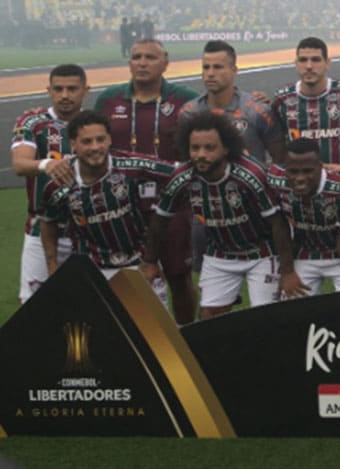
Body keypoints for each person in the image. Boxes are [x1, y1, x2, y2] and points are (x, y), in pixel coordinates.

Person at [142, 111, 301, 318]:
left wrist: (288, 271)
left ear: (226, 148)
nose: (201, 154)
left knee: (265, 317)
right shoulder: (182, 177)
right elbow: (160, 219)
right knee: (208, 316)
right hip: (220, 254)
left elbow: (278, 223)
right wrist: (150, 261)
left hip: (261, 253)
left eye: (209, 148)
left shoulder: (251, 175)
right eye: (195, 148)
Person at [94, 38, 200, 322]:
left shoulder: (185, 99)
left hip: (172, 205)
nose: (142, 63)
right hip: (122, 208)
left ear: (165, 63)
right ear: (129, 63)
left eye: (150, 57)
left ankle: (186, 334)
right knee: (121, 277)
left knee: (178, 276)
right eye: (137, 57)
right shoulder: (109, 100)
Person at [37, 110, 171, 302]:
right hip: (91, 272)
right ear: (73, 144)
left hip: (140, 266)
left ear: (109, 139)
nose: (95, 147)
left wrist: (152, 259)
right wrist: (52, 265)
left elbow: (179, 174)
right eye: (87, 142)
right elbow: (48, 221)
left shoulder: (132, 166)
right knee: (102, 323)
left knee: (151, 323)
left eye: (100, 139)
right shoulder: (57, 184)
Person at [11, 64, 89, 302]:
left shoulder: (95, 123)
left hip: (88, 233)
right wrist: (46, 164)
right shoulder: (32, 121)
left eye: (72, 89)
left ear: (85, 90)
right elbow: (19, 164)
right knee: (35, 306)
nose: (65, 95)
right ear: (49, 90)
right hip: (39, 230)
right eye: (58, 89)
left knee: (87, 305)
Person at [267, 138, 340, 294]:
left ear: (321, 167)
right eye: (293, 171)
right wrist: (287, 272)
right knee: (291, 305)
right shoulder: (274, 180)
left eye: (308, 171)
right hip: (305, 254)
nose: (300, 178)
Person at [180, 40, 285, 164]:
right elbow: (184, 161)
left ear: (234, 71)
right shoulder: (189, 113)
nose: (210, 74)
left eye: (218, 67)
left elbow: (280, 161)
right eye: (206, 67)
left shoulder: (258, 111)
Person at [271, 37, 340, 166]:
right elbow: (277, 145)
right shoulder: (282, 99)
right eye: (303, 60)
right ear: (296, 63)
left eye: (315, 60)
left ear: (327, 63)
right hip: (300, 177)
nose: (309, 66)